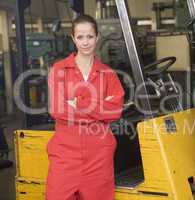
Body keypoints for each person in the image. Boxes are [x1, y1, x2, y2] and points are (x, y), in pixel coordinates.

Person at [46, 14, 125, 200]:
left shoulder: (108, 74)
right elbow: (57, 110)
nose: (85, 42)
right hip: (65, 154)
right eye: (80, 37)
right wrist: (99, 108)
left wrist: (78, 104)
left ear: (97, 37)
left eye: (89, 36)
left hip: (99, 156)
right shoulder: (59, 70)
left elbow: (114, 110)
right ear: (73, 38)